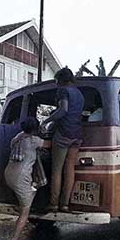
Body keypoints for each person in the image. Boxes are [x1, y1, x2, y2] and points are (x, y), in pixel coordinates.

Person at [40, 67, 84, 213]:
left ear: (61, 79)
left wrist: (46, 121)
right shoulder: (79, 94)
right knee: (70, 169)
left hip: (63, 133)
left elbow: (63, 110)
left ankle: (53, 204)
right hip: (77, 135)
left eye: (57, 80)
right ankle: (65, 204)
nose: (56, 83)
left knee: (56, 170)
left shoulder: (63, 91)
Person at [4, 117, 45, 240]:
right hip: (21, 179)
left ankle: (21, 203)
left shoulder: (17, 138)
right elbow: (51, 144)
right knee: (25, 213)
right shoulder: (34, 141)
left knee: (29, 191)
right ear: (35, 129)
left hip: (9, 174)